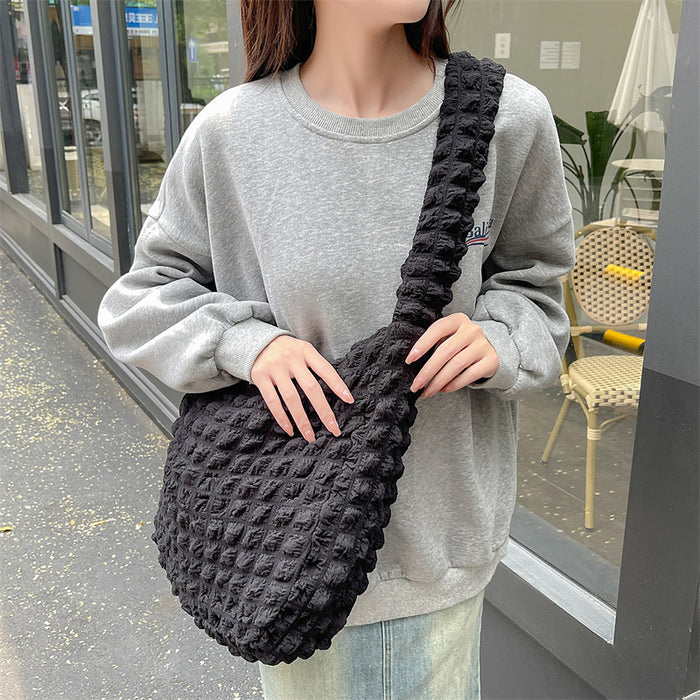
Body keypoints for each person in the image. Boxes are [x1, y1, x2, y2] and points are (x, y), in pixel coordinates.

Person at [97, 0, 576, 697]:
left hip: (438, 555)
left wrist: (500, 337)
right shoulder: (234, 132)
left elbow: (538, 288)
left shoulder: (505, 119)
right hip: (286, 544)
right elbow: (142, 298)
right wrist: (248, 345)